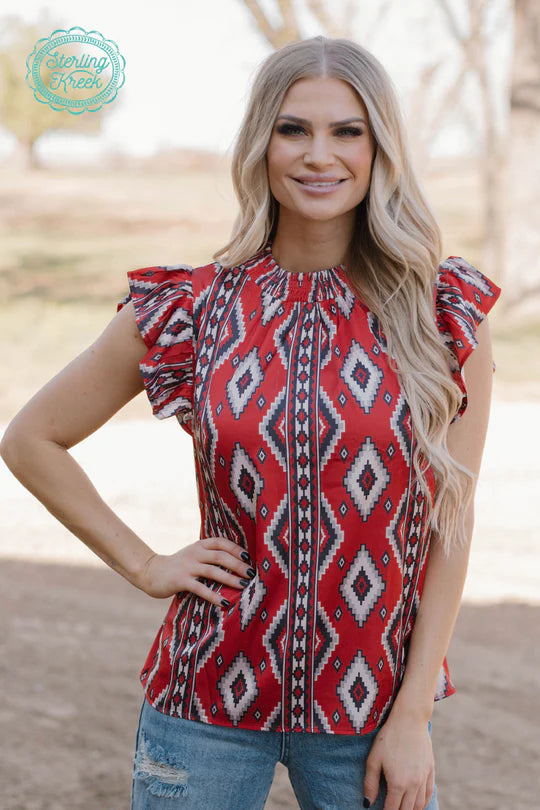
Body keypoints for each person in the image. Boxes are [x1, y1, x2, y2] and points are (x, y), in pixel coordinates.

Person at [0, 35, 502, 810]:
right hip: (204, 703)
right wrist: (144, 565)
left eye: (347, 131)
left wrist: (412, 717)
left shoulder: (440, 313)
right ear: (261, 144)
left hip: (370, 714)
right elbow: (30, 439)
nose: (318, 156)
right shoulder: (192, 309)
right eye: (293, 128)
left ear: (380, 150)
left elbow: (451, 521)